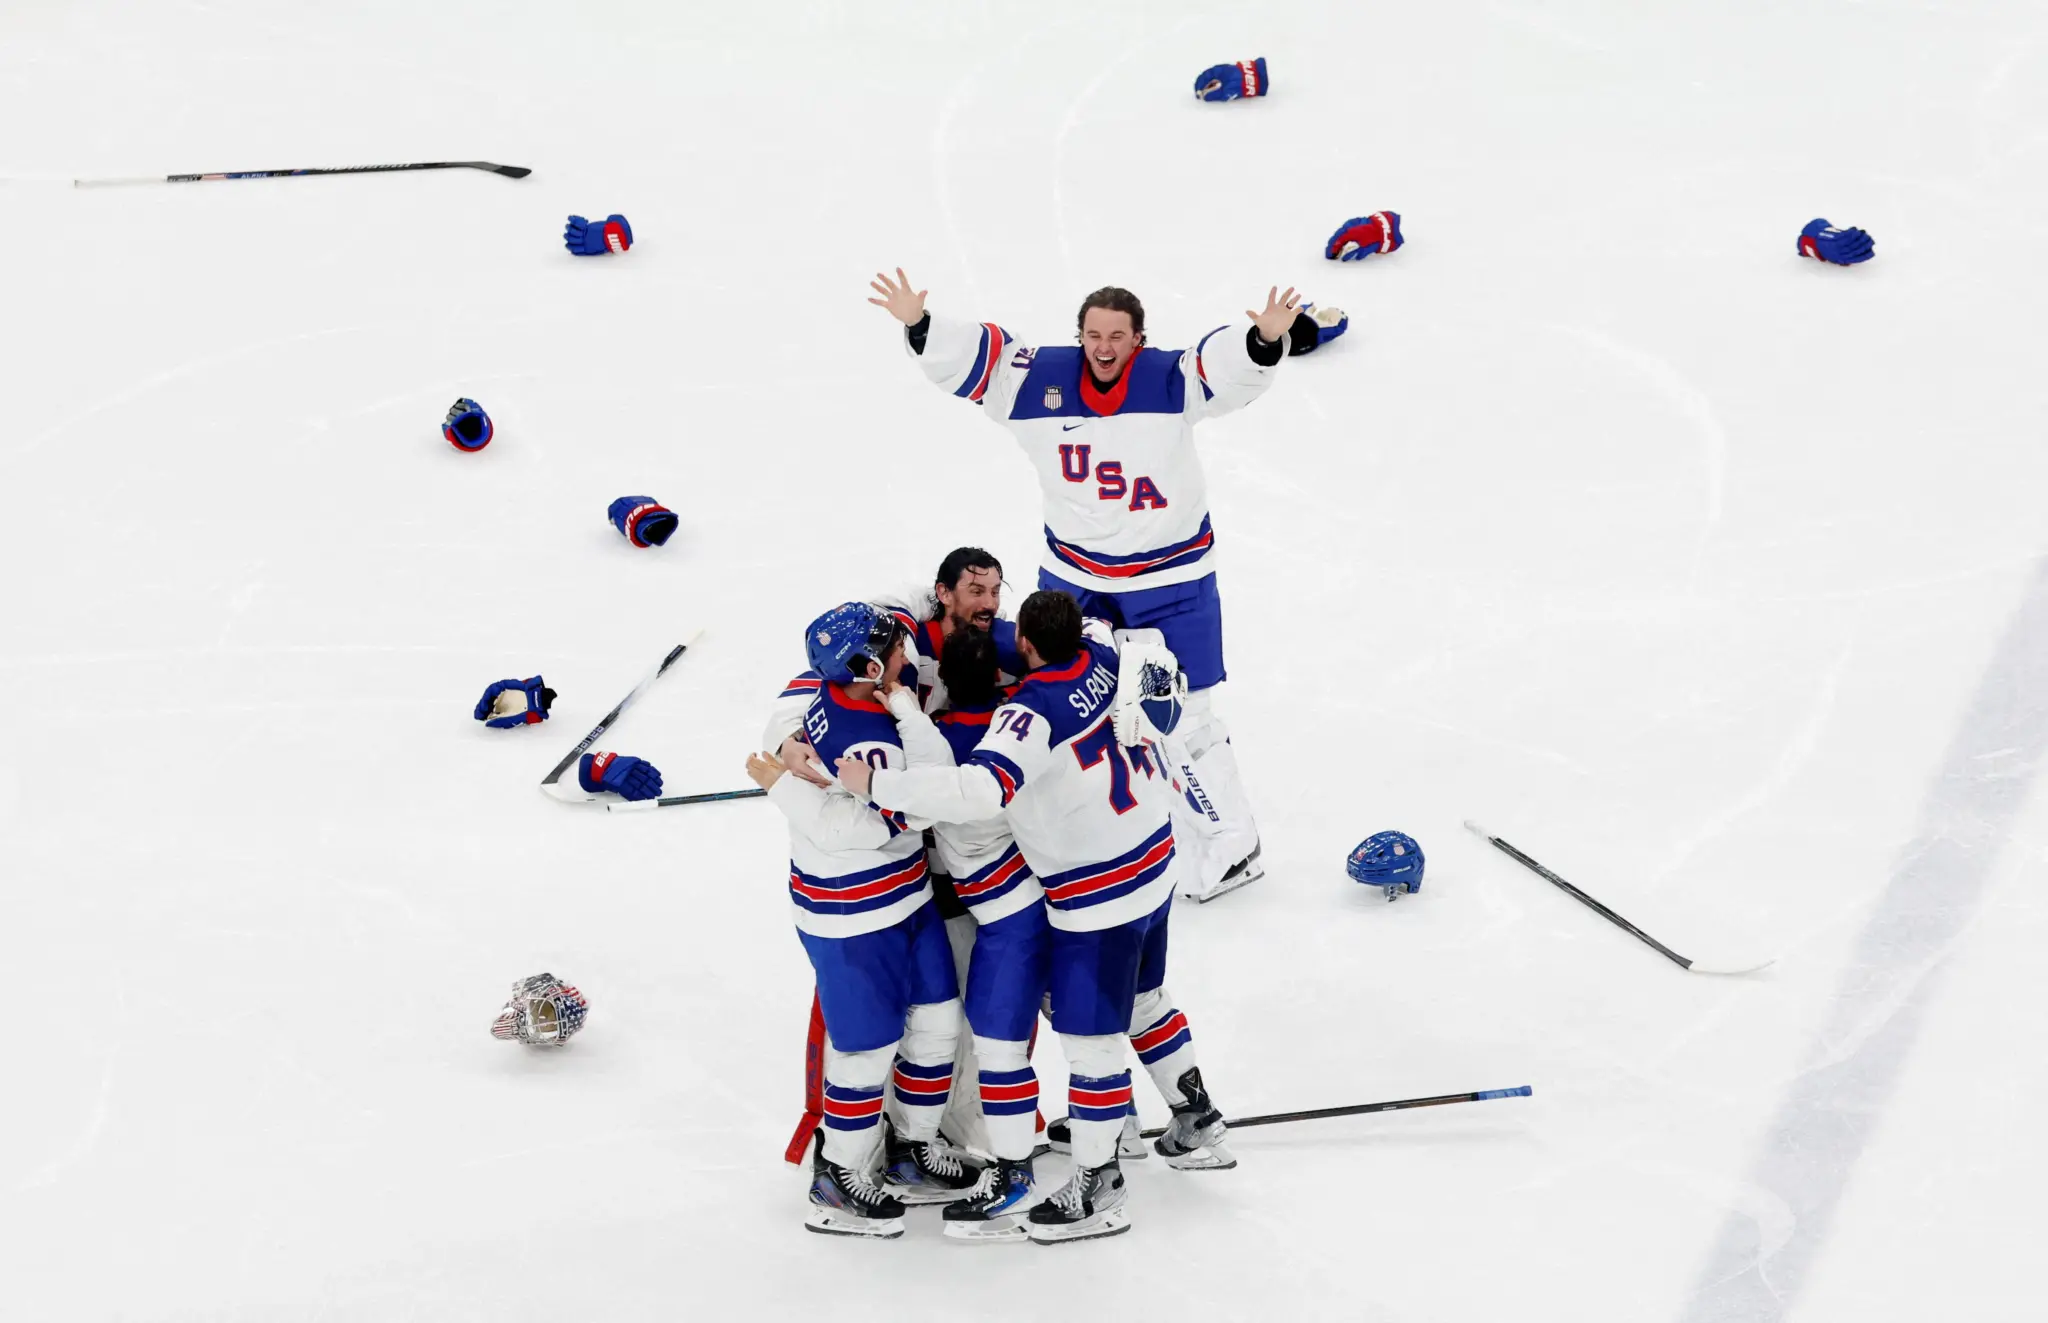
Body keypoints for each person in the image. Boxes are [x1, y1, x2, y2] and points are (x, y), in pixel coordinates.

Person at [870, 271, 1289, 900]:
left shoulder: (1171, 379)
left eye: (1117, 336)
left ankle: (1233, 844)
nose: (1103, 346)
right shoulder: (1039, 378)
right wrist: (921, 326)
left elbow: (1224, 368)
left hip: (1169, 581)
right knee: (1063, 696)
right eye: (1093, 334)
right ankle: (1094, 823)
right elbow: (981, 362)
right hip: (1075, 579)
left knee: (1183, 716)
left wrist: (1260, 339)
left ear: (1138, 340)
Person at [838, 590, 1232, 1245]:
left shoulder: (1017, 719)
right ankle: (1196, 1120)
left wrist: (872, 781)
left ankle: (1093, 1185)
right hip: (1152, 860)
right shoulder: (1105, 652)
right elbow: (1141, 648)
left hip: (1092, 897)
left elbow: (966, 794)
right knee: (1144, 1003)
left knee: (1080, 1043)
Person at [749, 601, 973, 1238]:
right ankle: (838, 1180)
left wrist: (780, 755)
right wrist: (783, 781)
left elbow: (787, 711)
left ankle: (909, 1152)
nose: (910, 653)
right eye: (897, 647)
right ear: (869, 665)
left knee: (936, 1024)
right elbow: (872, 822)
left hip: (907, 898)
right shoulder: (870, 746)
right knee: (865, 1049)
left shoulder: (818, 688)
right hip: (851, 915)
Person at [876, 627, 1050, 1240]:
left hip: (994, 917)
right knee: (1080, 1026)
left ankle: (1007, 1172)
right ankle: (1122, 1127)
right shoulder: (1026, 728)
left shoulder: (939, 744)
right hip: (1048, 902)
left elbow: (907, 810)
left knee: (980, 1045)